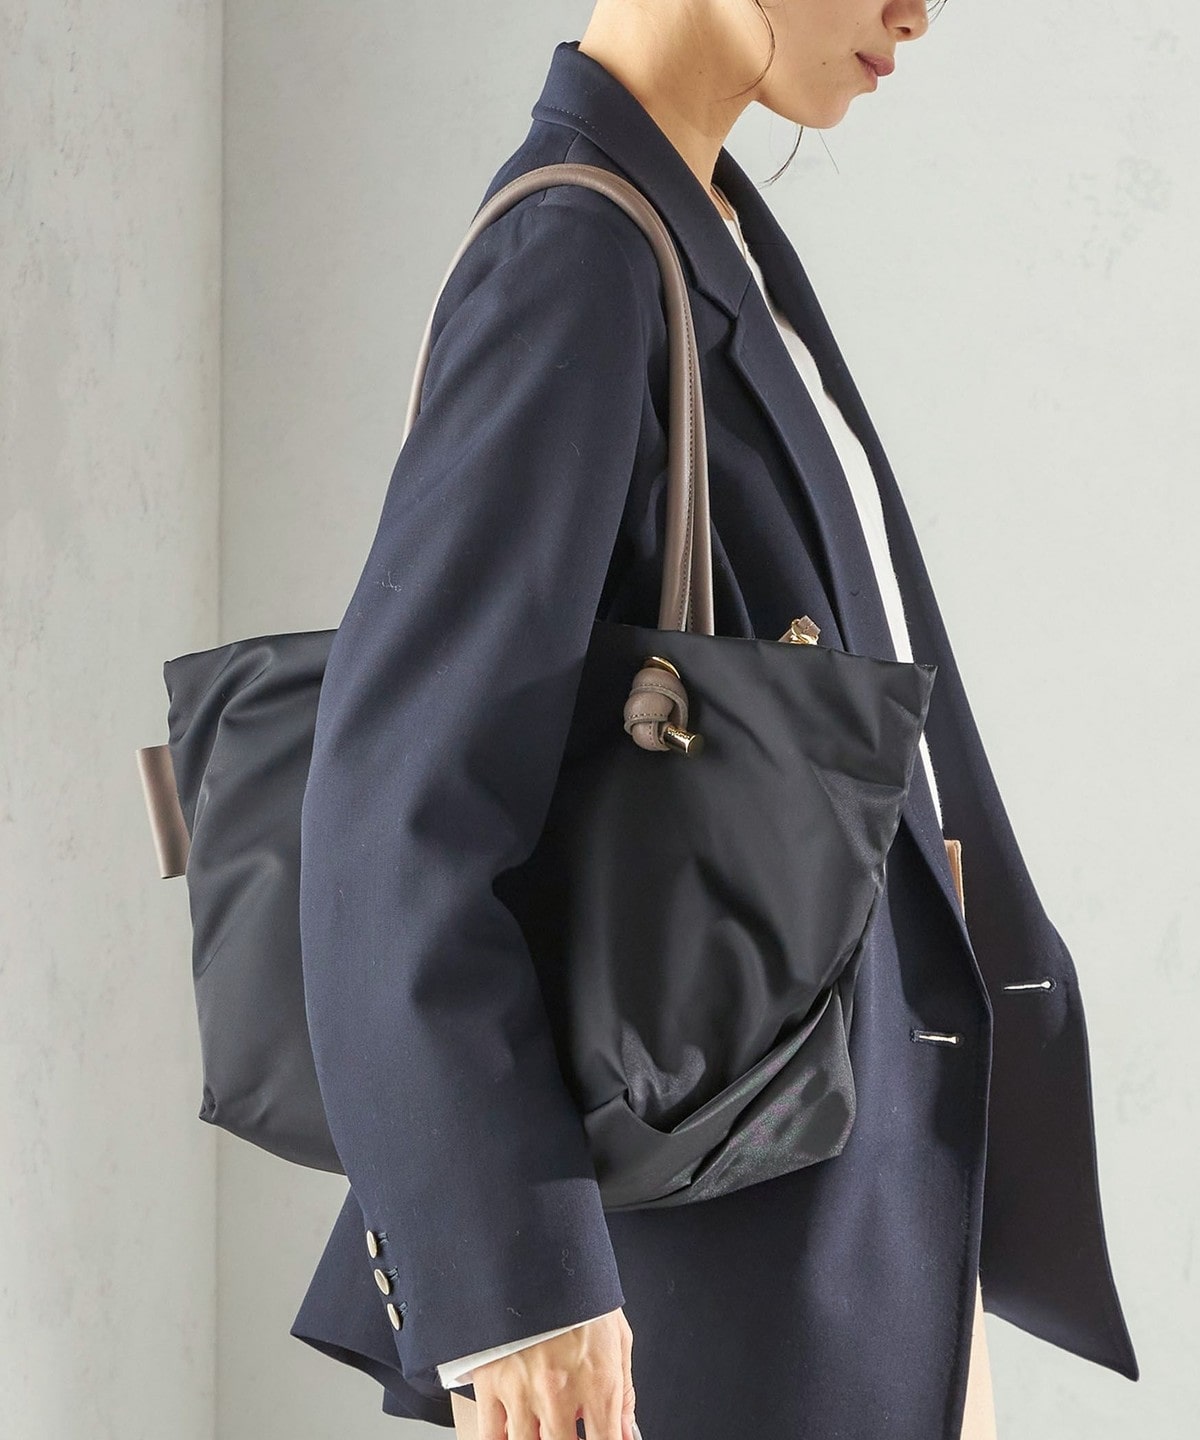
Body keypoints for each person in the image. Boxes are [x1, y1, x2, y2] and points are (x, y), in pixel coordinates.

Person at [289, 4, 1140, 1438]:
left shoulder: (703, 235)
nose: (919, 10)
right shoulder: (576, 254)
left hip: (841, 1243)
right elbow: (395, 814)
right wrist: (518, 1294)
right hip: (703, 1294)